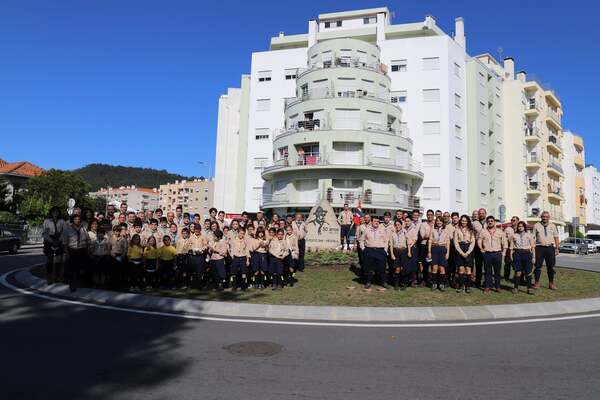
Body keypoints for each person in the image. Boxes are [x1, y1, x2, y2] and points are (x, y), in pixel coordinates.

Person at [477, 216, 508, 293]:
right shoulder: (483, 231)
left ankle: (497, 287)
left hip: (497, 253)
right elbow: (479, 240)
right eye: (488, 221)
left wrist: (504, 252)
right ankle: (487, 287)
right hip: (487, 253)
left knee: (497, 272)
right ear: (487, 222)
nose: (490, 222)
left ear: (494, 222)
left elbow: (504, 242)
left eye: (491, 221)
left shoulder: (500, 231)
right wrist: (481, 248)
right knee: (487, 272)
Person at [532, 211, 560, 289]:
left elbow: (556, 237)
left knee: (551, 266)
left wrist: (557, 248)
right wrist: (532, 248)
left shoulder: (553, 226)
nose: (545, 218)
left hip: (550, 248)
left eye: (546, 217)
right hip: (539, 248)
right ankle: (537, 283)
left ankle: (551, 283)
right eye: (543, 216)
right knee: (537, 266)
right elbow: (533, 238)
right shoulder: (536, 225)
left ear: (549, 217)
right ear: (541, 217)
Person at [359, 217, 389, 289]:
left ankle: (383, 282)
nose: (376, 222)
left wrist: (385, 250)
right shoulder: (367, 230)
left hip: (380, 251)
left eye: (378, 221)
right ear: (371, 222)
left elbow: (386, 241)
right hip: (369, 250)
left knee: (382, 268)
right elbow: (361, 240)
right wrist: (363, 249)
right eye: (375, 221)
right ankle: (368, 282)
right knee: (369, 268)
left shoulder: (382, 230)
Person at [63, 214, 90, 292]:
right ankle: (72, 285)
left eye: (79, 219)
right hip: (72, 250)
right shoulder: (68, 229)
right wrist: (67, 253)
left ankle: (79, 283)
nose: (77, 220)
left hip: (81, 250)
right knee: (72, 269)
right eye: (75, 219)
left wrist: (87, 249)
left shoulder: (83, 229)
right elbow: (65, 242)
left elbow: (87, 240)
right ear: (73, 220)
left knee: (80, 269)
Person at [42, 206, 67, 284]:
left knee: (58, 261)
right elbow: (45, 233)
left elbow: (64, 232)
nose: (55, 213)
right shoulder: (47, 221)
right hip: (49, 240)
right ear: (51, 213)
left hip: (59, 240)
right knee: (50, 260)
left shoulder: (62, 221)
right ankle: (49, 277)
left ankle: (57, 277)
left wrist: (59, 240)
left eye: (57, 212)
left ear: (59, 213)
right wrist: (51, 241)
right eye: (54, 212)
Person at [510, 221, 536, 295]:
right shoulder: (514, 235)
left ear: (524, 227)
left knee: (528, 272)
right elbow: (511, 247)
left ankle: (529, 288)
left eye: (522, 226)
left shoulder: (529, 235)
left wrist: (534, 257)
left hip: (527, 253)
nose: (520, 227)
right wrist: (511, 256)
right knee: (518, 272)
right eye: (519, 226)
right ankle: (516, 288)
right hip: (517, 253)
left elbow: (533, 247)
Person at [453, 215, 476, 293]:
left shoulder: (471, 230)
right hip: (460, 248)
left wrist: (468, 252)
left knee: (468, 269)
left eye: (465, 221)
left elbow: (473, 242)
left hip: (469, 249)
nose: (464, 222)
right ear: (460, 221)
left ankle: (468, 286)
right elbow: (455, 242)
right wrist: (461, 252)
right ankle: (461, 286)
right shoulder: (457, 229)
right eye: (462, 220)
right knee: (461, 269)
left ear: (468, 221)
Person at [428, 216, 450, 291]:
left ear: (443, 222)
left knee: (442, 268)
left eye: (440, 221)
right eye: (437, 221)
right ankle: (434, 284)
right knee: (434, 268)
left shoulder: (446, 230)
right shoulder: (433, 229)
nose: (438, 222)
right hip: (434, 248)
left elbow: (448, 242)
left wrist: (447, 253)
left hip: (443, 249)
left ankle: (441, 284)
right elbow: (430, 240)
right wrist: (429, 251)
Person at [389, 220, 411, 290]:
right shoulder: (392, 234)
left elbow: (408, 243)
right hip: (396, 251)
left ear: (401, 225)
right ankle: (396, 284)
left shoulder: (405, 232)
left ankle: (404, 284)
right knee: (397, 268)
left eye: (399, 225)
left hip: (404, 251)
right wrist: (392, 254)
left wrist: (409, 252)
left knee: (404, 269)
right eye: (396, 225)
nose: (397, 226)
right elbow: (391, 245)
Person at [418, 209, 435, 285]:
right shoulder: (423, 224)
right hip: (424, 245)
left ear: (433, 215)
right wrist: (432, 236)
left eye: (431, 214)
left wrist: (429, 236)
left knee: (433, 263)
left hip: (433, 245)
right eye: (428, 215)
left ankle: (432, 279)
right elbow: (423, 235)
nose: (429, 216)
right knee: (425, 263)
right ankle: (425, 280)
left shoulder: (436, 223)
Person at [473, 208, 487, 287]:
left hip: (487, 246)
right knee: (478, 265)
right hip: (477, 246)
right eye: (480, 213)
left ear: (485, 214)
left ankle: (486, 282)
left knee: (487, 265)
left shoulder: (489, 222)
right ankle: (477, 282)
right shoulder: (474, 223)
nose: (481, 214)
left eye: (483, 213)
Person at [503, 216, 519, 282]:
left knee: (518, 264)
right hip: (509, 248)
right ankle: (506, 277)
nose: (512, 221)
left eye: (514, 220)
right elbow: (503, 238)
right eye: (511, 220)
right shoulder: (507, 229)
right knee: (507, 263)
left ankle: (518, 278)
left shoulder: (521, 228)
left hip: (518, 248)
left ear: (517, 221)